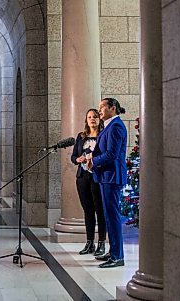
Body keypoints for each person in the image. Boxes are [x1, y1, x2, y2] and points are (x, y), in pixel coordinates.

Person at [87, 98, 127, 268]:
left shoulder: (116, 126)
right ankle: (113, 251)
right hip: (105, 176)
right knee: (109, 217)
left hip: (112, 176)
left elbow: (112, 154)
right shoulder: (109, 126)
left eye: (102, 107)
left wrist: (94, 161)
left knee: (113, 217)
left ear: (113, 107)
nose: (99, 110)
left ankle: (117, 256)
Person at [70, 109, 106, 256]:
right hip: (83, 177)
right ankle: (89, 242)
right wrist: (77, 159)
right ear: (86, 120)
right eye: (90, 117)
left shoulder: (103, 135)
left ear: (99, 119)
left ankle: (102, 243)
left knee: (100, 210)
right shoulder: (81, 136)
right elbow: (73, 156)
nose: (92, 119)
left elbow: (106, 154)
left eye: (95, 117)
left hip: (97, 176)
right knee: (88, 211)